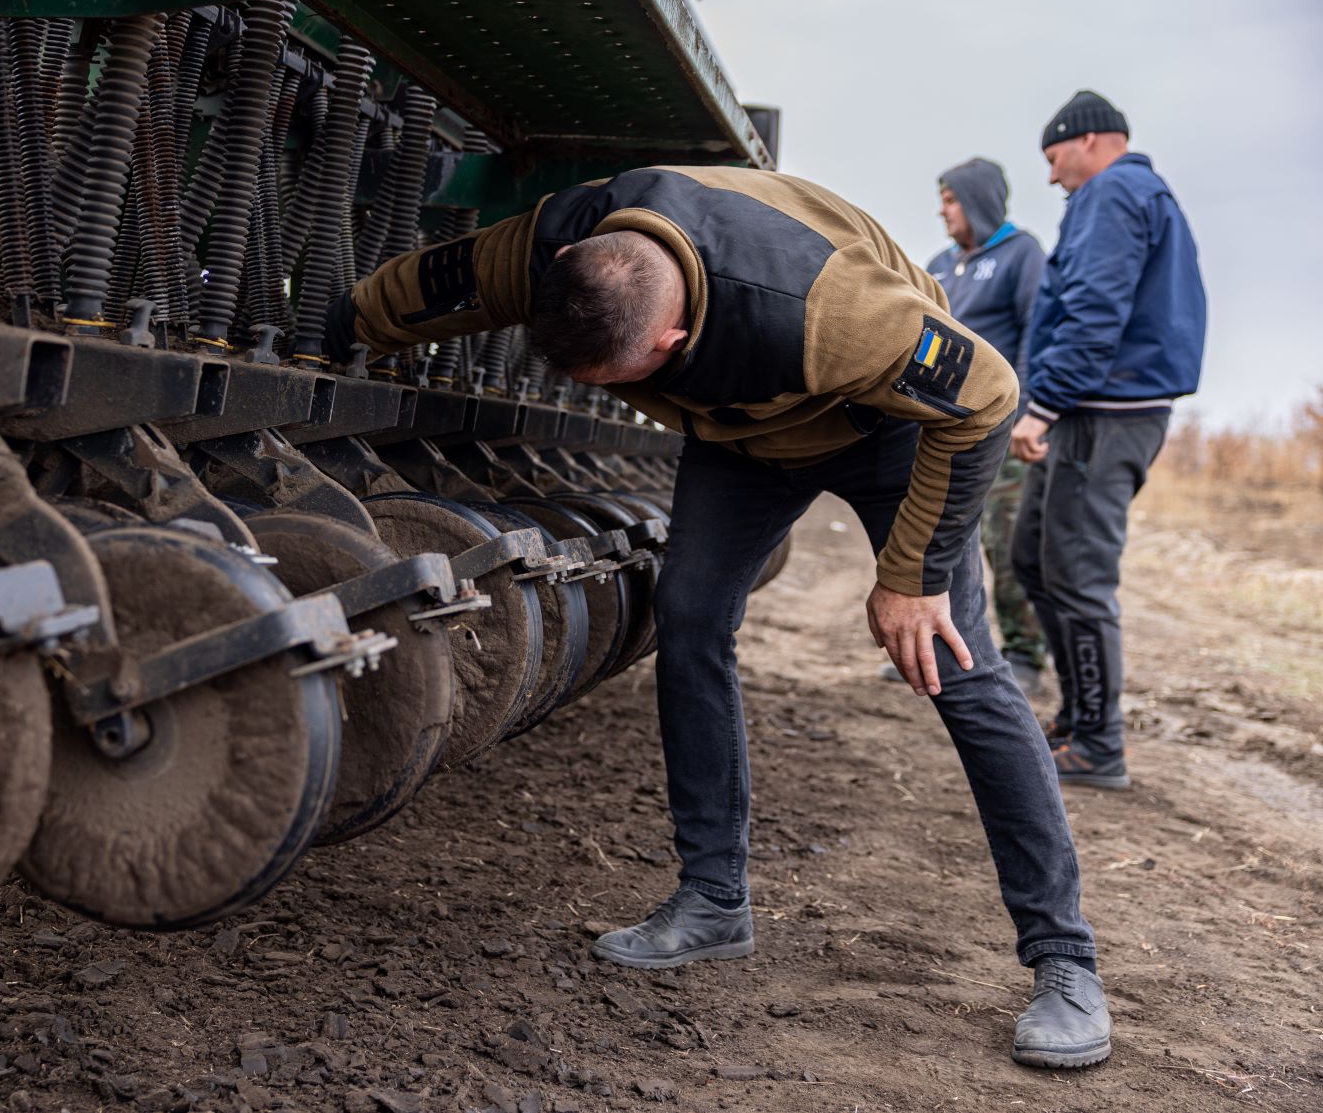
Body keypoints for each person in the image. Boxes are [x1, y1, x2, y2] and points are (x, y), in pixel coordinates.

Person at [326, 164, 1112, 1070]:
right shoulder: (565, 238)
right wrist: (346, 324)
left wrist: (915, 576)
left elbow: (983, 395)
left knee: (955, 663)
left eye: (626, 379)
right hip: (741, 443)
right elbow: (445, 279)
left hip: (890, 428)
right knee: (689, 615)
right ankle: (713, 901)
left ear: (676, 335)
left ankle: (1065, 960)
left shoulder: (827, 308)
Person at [1010, 91, 1206, 790]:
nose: (1053, 175)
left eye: (1055, 158)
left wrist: (1044, 405)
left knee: (1078, 577)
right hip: (1099, 409)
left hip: (1104, 411)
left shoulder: (1113, 192)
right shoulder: (1133, 194)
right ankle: (1077, 718)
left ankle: (1099, 744)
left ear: (1089, 141)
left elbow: (1095, 308)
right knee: (1032, 556)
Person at [881, 159, 1050, 691]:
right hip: (940, 432)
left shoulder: (1021, 254)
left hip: (1000, 430)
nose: (942, 210)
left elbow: (1036, 334)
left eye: (951, 200)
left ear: (976, 200)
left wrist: (1028, 415)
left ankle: (1024, 655)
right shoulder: (941, 264)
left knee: (1005, 541)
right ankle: (939, 647)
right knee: (942, 540)